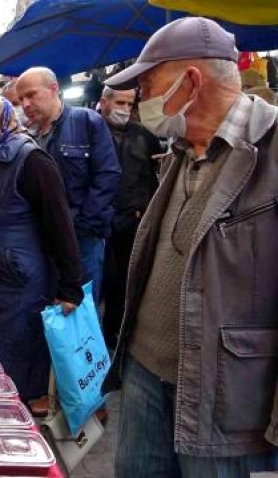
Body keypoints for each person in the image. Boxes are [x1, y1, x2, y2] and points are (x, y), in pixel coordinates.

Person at [104, 17, 278, 477]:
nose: (142, 100)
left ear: (192, 81)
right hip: (146, 374)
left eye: (148, 84)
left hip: (229, 403)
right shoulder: (181, 150)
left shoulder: (272, 150)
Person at [0, 93, 84, 402]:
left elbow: (60, 227)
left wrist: (70, 286)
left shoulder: (32, 161)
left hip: (16, 294)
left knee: (10, 385)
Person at [16, 67, 121, 303]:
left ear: (54, 89)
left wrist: (82, 225)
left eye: (31, 95)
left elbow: (108, 175)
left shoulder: (87, 122)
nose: (25, 104)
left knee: (79, 316)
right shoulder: (25, 137)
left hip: (81, 240)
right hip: (40, 240)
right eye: (21, 98)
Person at [98, 86, 162, 346]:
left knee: (124, 283)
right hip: (100, 220)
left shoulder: (144, 135)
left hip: (132, 220)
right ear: (104, 103)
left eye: (129, 104)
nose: (125, 109)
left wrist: (144, 210)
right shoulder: (92, 131)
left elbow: (154, 177)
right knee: (98, 281)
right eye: (120, 103)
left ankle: (116, 336)